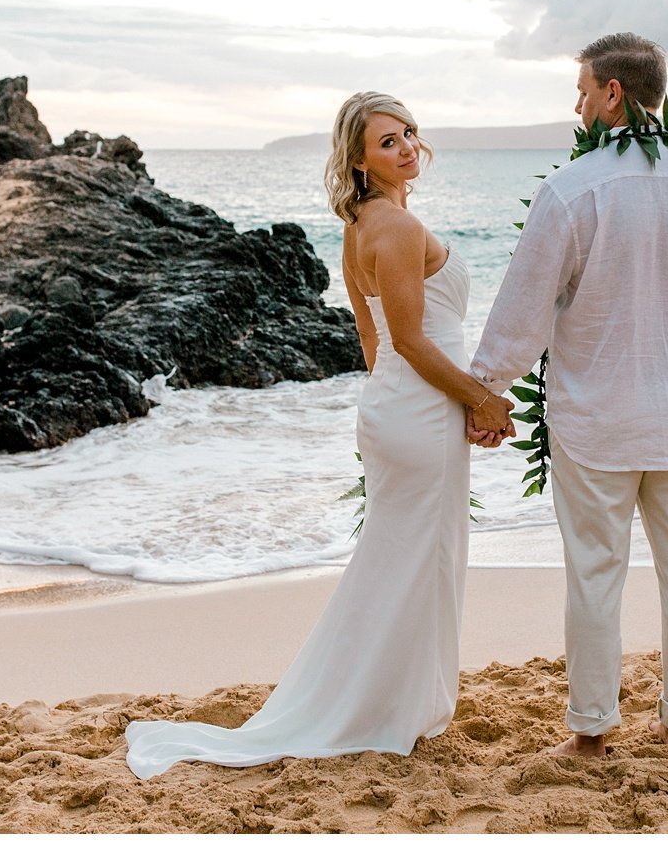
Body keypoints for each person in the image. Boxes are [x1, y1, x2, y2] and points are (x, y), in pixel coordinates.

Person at [124, 91, 514, 779]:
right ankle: (382, 708)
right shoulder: (390, 226)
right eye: (389, 140)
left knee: (401, 560)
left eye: (411, 134)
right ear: (358, 158)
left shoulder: (362, 221)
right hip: (418, 408)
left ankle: (390, 700)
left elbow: (375, 341)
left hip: (401, 406)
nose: (407, 147)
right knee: (418, 562)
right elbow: (415, 343)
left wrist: (411, 405)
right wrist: (480, 401)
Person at [469, 32, 668, 756]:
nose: (577, 104)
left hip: (597, 421)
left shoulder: (574, 189)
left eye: (582, 91)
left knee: (595, 577)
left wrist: (485, 392)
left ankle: (593, 731)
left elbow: (525, 306)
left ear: (612, 94)